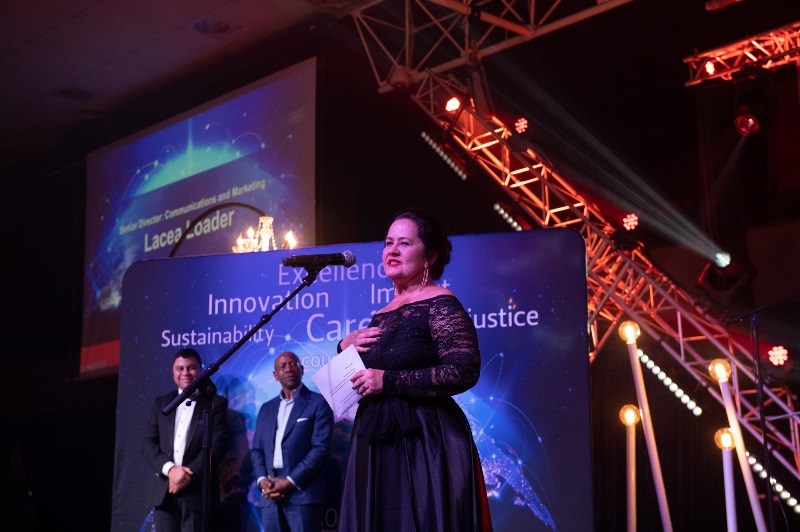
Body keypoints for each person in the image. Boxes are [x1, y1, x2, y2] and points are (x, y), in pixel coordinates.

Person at [337, 208, 493, 531]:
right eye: (388, 242)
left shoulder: (441, 302)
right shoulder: (381, 314)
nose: (392, 250)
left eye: (404, 243)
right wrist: (344, 346)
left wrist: (388, 381)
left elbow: (464, 370)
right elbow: (363, 377)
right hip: (376, 439)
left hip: (423, 441)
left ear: (430, 256)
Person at [141, 348, 229, 532]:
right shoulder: (162, 402)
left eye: (191, 367)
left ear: (201, 369)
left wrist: (185, 476)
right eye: (180, 368)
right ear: (173, 372)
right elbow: (148, 444)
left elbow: (218, 445)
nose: (185, 373)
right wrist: (171, 470)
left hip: (197, 494)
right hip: (165, 493)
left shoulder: (215, 403)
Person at [251, 351, 334, 531]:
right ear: (275, 375)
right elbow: (257, 450)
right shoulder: (266, 408)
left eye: (293, 364)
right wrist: (262, 479)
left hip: (303, 492)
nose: (289, 369)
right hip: (269, 493)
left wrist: (289, 481)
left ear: (302, 369)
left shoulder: (318, 403)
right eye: (283, 366)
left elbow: (320, 449)